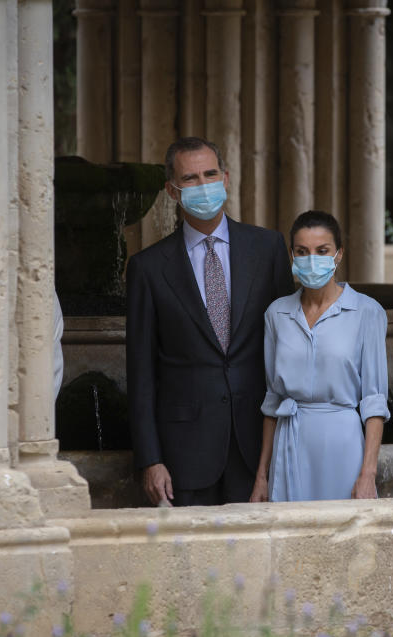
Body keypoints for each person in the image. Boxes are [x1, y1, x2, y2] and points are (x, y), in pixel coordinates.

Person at [126, 137, 294, 506]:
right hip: (184, 454)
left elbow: (288, 347)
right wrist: (150, 459)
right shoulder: (148, 269)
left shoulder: (267, 250)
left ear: (226, 178)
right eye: (190, 179)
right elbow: (140, 373)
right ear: (172, 191)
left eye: (210, 174)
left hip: (258, 445)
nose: (204, 186)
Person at [249, 211, 389, 502]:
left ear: (338, 255)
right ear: (292, 255)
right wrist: (262, 476)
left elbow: (374, 400)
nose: (312, 259)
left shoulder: (367, 311)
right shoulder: (276, 313)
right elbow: (272, 401)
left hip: (342, 444)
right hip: (289, 441)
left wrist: (368, 473)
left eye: (322, 251)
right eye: (302, 252)